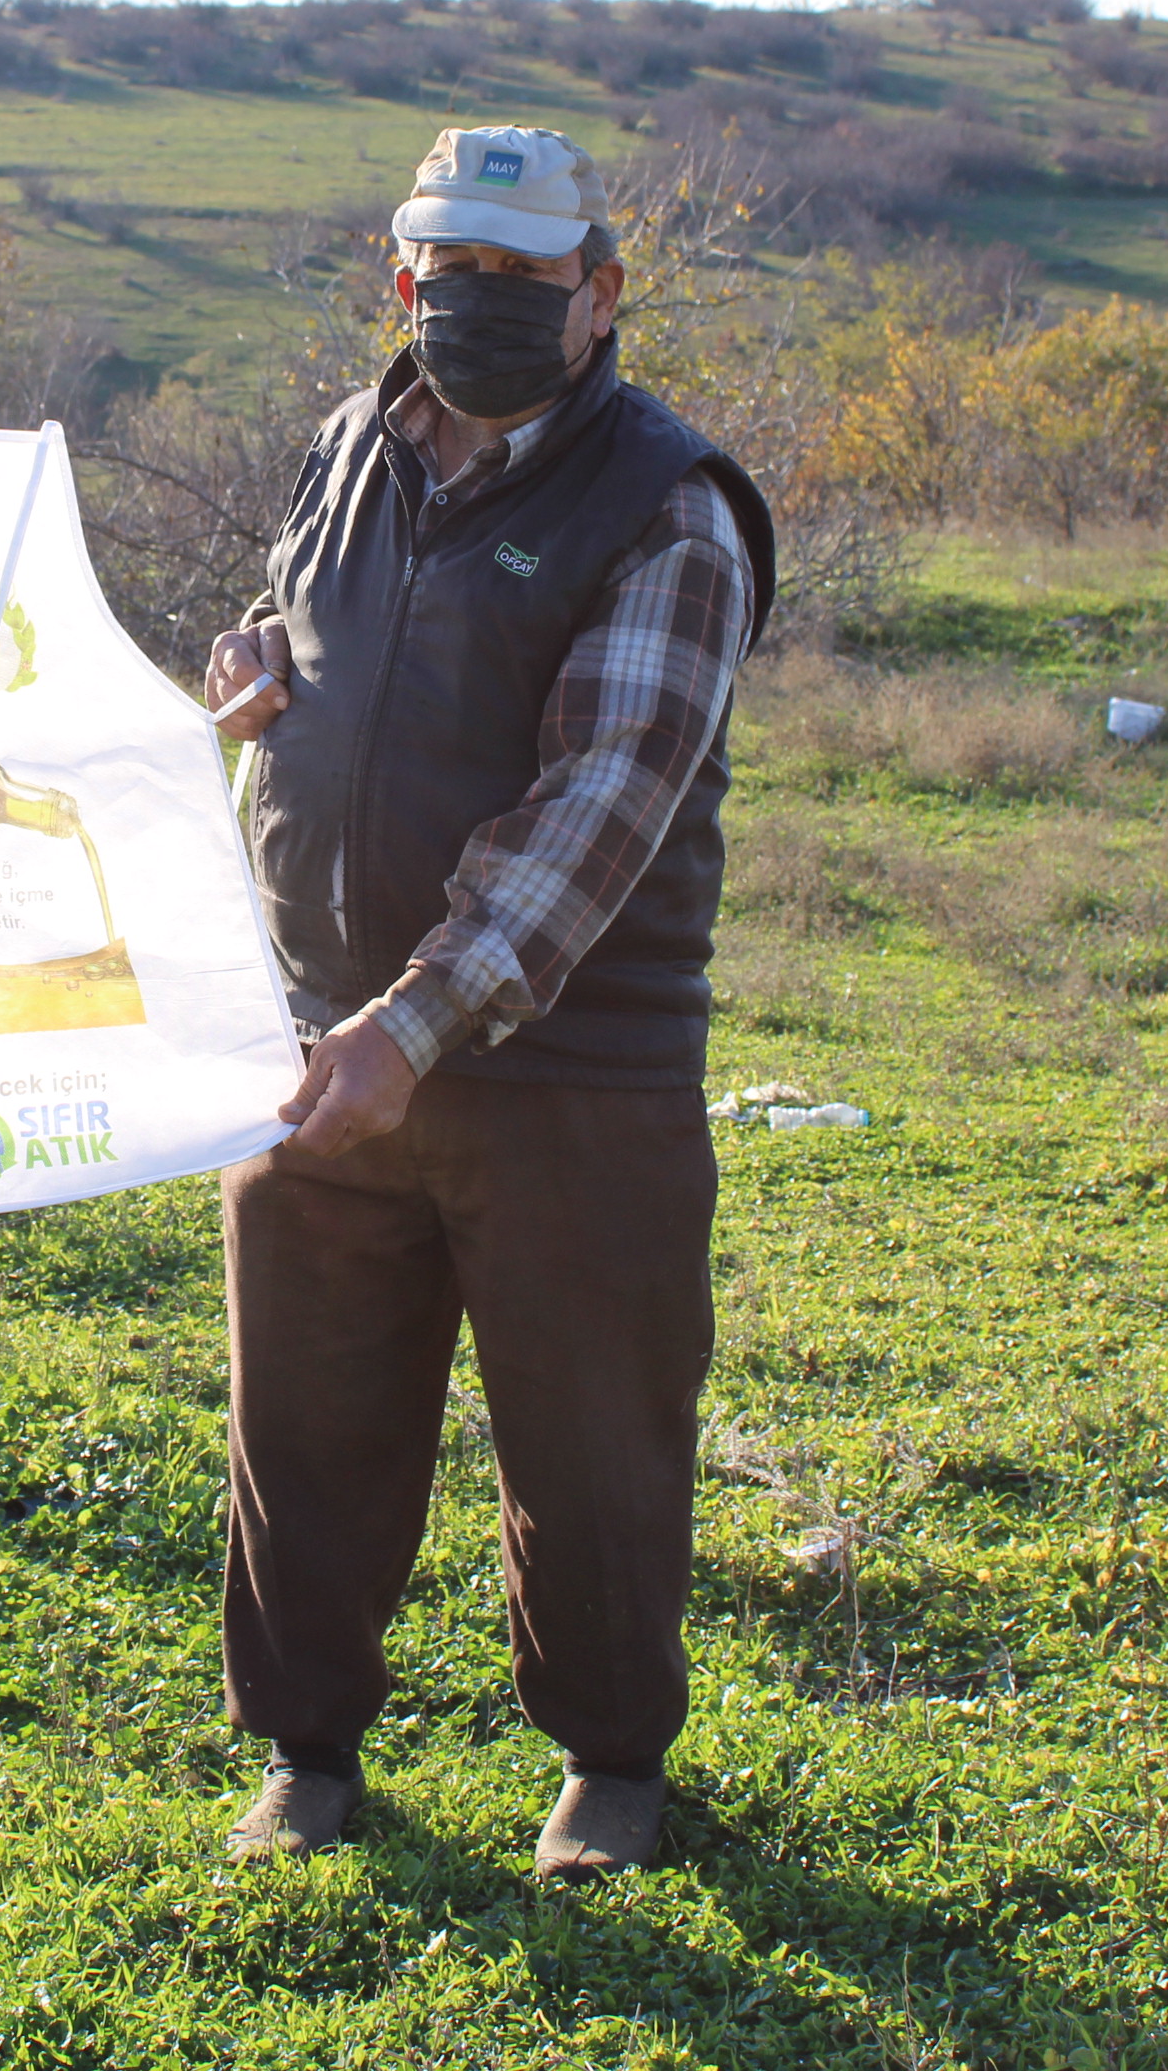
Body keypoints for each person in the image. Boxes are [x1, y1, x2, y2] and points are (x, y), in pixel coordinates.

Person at [203, 124, 773, 1882]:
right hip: (310, 1041)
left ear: (602, 294)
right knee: (302, 1419)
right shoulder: (345, 446)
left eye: (533, 279)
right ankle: (308, 1749)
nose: (492, 306)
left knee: (594, 1432)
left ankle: (612, 1762)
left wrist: (413, 1022)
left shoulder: (670, 509)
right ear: (405, 279)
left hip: (566, 1072)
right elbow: (305, 635)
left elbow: (599, 807)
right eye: (461, 273)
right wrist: (244, 665)